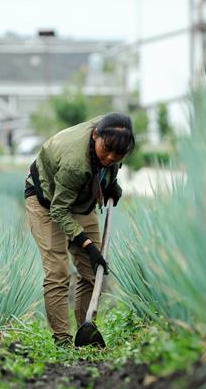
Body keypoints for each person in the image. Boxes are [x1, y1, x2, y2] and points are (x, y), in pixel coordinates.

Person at [24, 113, 135, 347]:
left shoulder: (117, 137)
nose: (111, 157)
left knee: (93, 272)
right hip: (47, 201)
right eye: (107, 150)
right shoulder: (75, 162)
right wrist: (87, 245)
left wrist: (111, 184)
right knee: (58, 271)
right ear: (95, 135)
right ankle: (62, 341)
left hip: (81, 198)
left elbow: (108, 162)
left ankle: (86, 331)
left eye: (119, 155)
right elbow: (59, 211)